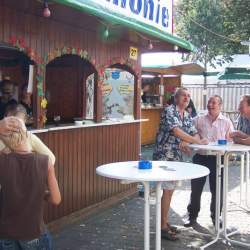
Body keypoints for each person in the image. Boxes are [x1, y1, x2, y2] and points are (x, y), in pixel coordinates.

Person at [153, 87, 208, 241]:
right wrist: (195, 141)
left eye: (188, 96)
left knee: (169, 191)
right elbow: (176, 131)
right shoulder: (169, 110)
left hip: (176, 157)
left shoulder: (187, 114)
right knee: (167, 189)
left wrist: (189, 140)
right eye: (184, 95)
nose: (187, 98)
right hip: (165, 156)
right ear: (175, 98)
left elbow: (193, 132)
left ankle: (164, 222)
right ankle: (162, 227)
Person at [0, 117, 61, 250]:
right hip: (34, 233)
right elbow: (56, 200)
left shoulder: (2, 160)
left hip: (6, 234)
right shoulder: (45, 162)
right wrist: (44, 194)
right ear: (28, 134)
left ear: (4, 139)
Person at [184, 95, 234, 227]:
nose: (210, 105)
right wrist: (189, 141)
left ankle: (216, 217)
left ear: (220, 105)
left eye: (214, 103)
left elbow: (231, 141)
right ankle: (192, 216)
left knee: (218, 190)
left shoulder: (227, 122)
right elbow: (188, 130)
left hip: (218, 159)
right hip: (200, 158)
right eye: (209, 103)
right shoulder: (199, 119)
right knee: (196, 188)